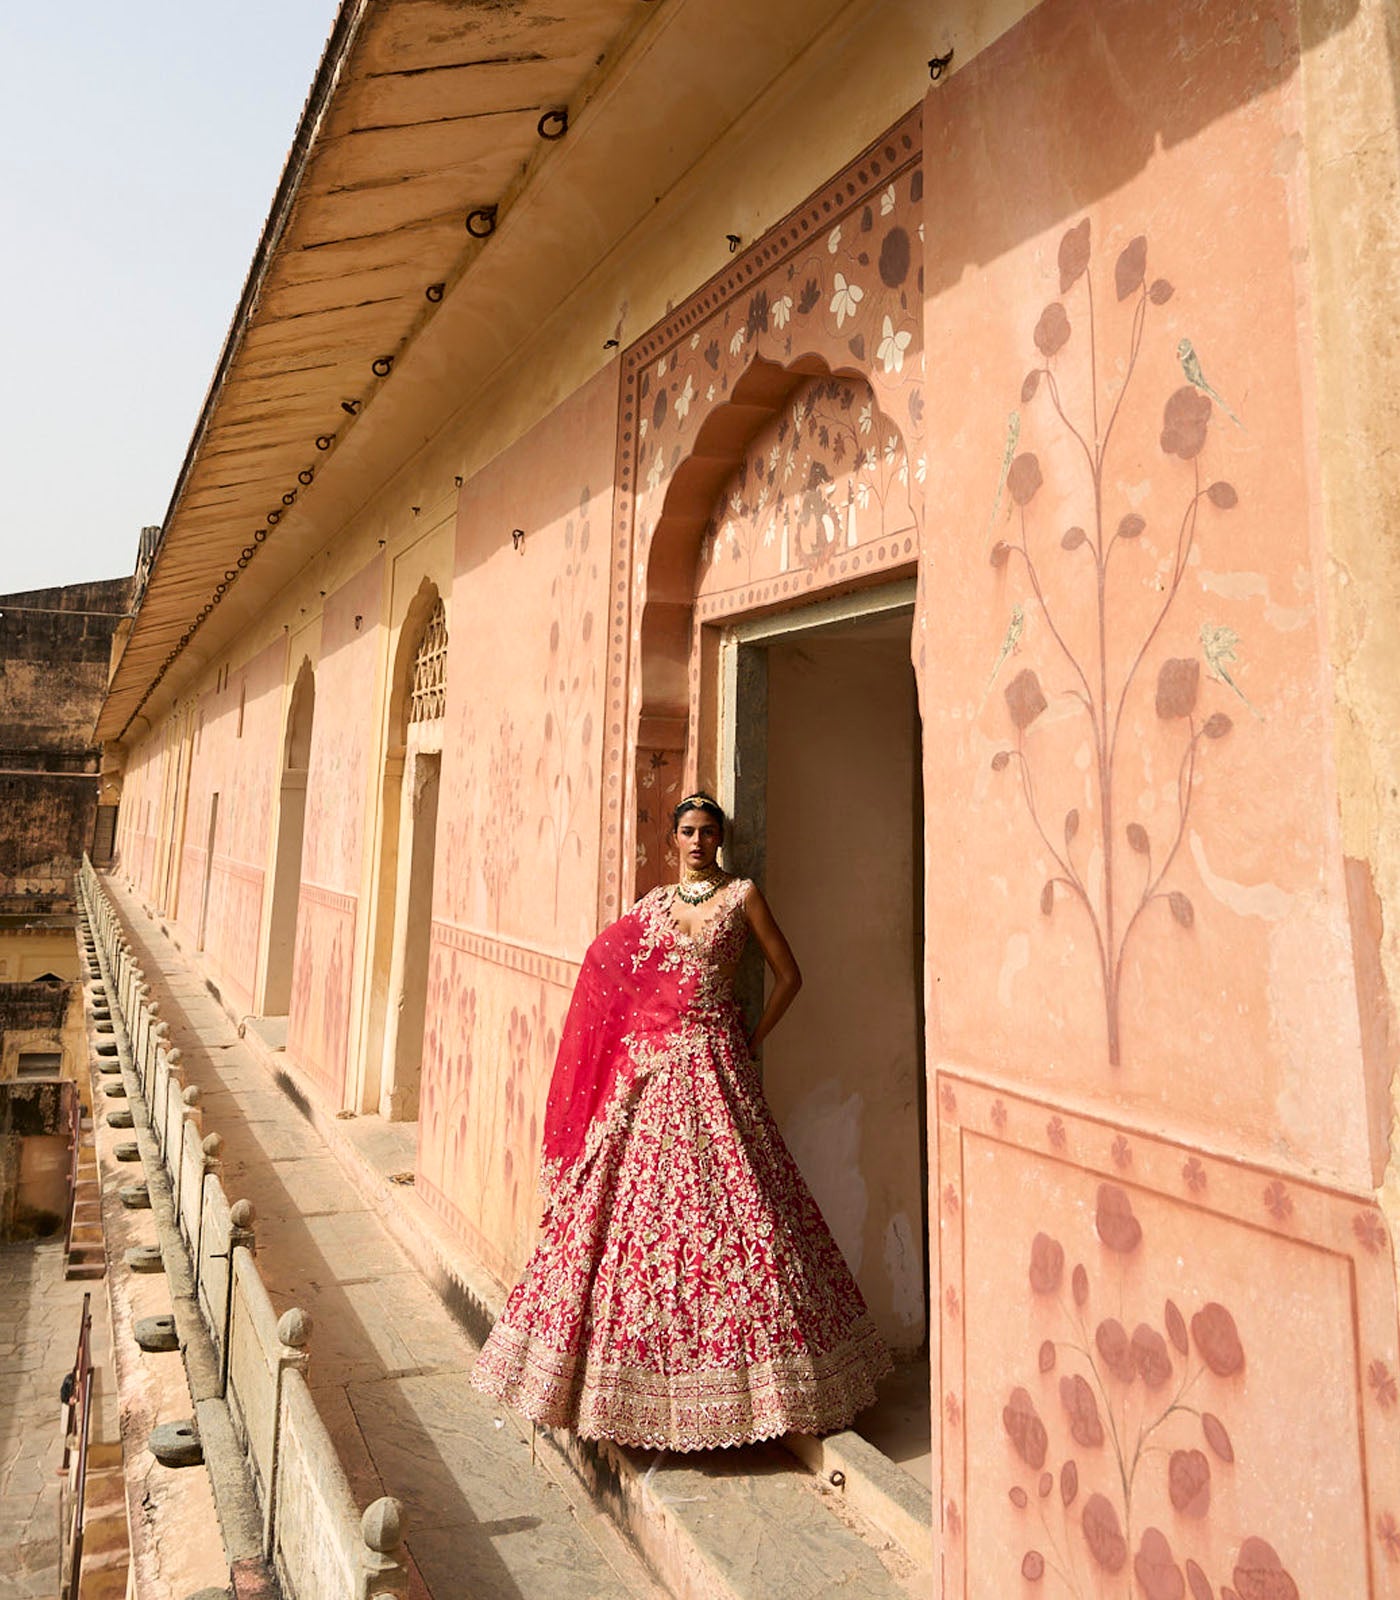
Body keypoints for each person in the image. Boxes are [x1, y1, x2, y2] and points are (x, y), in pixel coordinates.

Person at [471, 792, 890, 1450]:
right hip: (655, 1072)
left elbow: (790, 974)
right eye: (688, 832)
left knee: (744, 1207)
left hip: (720, 1063)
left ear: (721, 839)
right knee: (646, 1219)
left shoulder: (743, 895)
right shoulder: (655, 908)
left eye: (708, 831)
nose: (698, 841)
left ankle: (768, 1389)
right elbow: (606, 968)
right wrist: (634, 1039)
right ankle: (631, 1391)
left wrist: (755, 1033)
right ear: (673, 841)